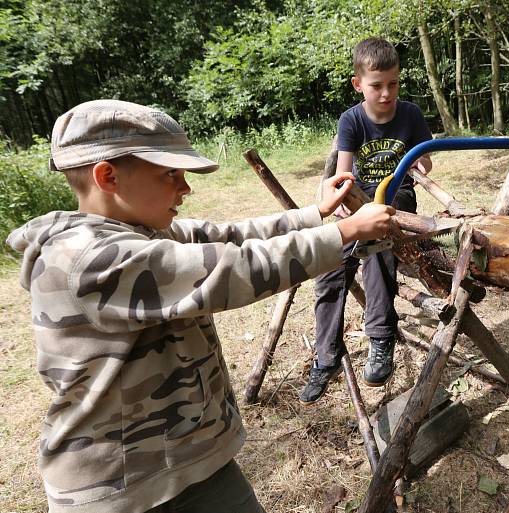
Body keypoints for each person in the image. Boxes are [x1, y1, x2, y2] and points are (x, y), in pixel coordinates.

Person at [5, 99, 394, 513]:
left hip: (193, 461)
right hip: (118, 488)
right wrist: (345, 232)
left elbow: (229, 236)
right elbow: (230, 269)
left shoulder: (142, 232)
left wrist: (315, 214)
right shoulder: (88, 259)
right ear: (108, 176)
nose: (185, 188)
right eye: (170, 174)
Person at [299, 37, 433, 405]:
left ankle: (380, 336)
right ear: (359, 84)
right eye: (377, 86)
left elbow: (427, 160)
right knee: (329, 263)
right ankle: (326, 357)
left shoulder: (410, 115)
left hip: (396, 198)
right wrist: (344, 202)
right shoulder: (352, 120)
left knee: (378, 247)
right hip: (361, 199)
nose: (386, 93)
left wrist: (421, 162)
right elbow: (344, 173)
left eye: (393, 84)